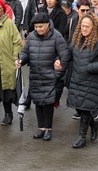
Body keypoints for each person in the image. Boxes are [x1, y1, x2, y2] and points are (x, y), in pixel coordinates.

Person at [16, 13, 71, 141]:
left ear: (48, 25)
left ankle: (48, 129)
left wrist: (56, 74)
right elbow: (25, 53)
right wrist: (21, 61)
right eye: (36, 27)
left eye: (41, 26)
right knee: (38, 102)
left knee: (48, 103)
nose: (38, 29)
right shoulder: (31, 37)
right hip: (36, 75)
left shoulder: (57, 36)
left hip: (50, 76)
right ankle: (41, 128)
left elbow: (65, 56)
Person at [66, 13, 98, 148]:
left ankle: (81, 137)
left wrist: (90, 67)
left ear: (94, 27)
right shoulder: (76, 39)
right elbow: (68, 54)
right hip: (77, 80)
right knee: (79, 108)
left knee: (85, 109)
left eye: (87, 26)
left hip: (93, 81)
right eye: (82, 26)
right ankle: (94, 124)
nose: (84, 29)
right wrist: (59, 61)